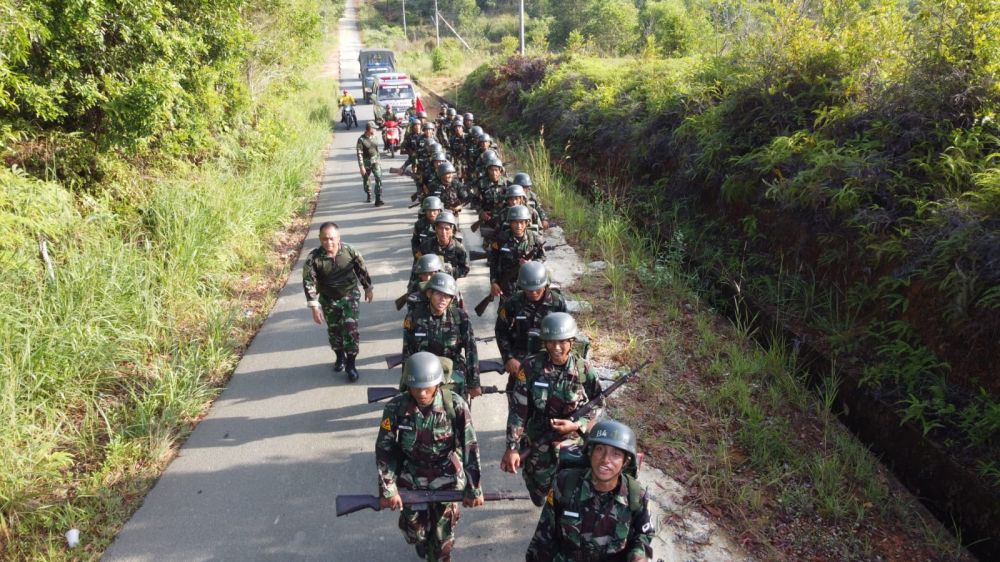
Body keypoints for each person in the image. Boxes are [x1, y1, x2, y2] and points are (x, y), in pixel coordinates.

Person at [376, 351, 485, 562]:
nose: (422, 393)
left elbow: (470, 447)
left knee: (443, 543)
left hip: (447, 476)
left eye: (427, 387)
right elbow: (384, 449)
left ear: (438, 384)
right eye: (416, 387)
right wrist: (388, 489)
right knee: (415, 533)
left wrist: (475, 488)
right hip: (411, 475)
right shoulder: (395, 408)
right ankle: (420, 539)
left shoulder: (455, 405)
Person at [501, 312, 601, 505]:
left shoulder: (583, 370)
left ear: (571, 341)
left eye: (562, 342)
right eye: (551, 342)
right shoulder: (530, 367)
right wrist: (512, 447)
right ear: (544, 342)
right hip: (539, 440)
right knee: (539, 495)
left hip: (571, 442)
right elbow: (518, 411)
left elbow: (598, 401)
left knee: (570, 493)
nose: (556, 347)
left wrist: (577, 425)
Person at [525, 420, 654, 562]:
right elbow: (544, 534)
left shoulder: (636, 496)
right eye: (600, 450)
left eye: (616, 454)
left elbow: (644, 534)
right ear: (590, 453)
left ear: (625, 462)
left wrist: (638, 555)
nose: (606, 459)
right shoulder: (565, 484)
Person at [303, 222, 374, 381]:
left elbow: (361, 269)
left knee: (350, 329)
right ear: (320, 239)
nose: (328, 242)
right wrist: (314, 306)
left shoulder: (349, 251)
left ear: (338, 238)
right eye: (324, 239)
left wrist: (368, 288)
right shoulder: (313, 258)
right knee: (334, 331)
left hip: (350, 296)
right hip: (328, 299)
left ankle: (351, 364)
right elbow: (309, 282)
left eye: (332, 239)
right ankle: (339, 356)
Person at [401, 273, 481, 398]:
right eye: (438, 294)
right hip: (422, 372)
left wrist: (474, 383)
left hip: (453, 372)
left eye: (447, 296)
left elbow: (471, 350)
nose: (443, 299)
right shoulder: (413, 318)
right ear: (429, 294)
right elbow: (407, 352)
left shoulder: (460, 317)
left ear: (452, 299)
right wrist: (405, 383)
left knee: (456, 410)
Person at [494, 261, 567, 389]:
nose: (533, 293)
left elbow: (566, 334)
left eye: (537, 289)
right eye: (529, 290)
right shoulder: (512, 303)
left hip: (550, 359)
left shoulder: (557, 302)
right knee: (517, 398)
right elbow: (501, 331)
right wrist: (508, 358)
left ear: (545, 284)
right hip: (520, 361)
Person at [488, 205, 546, 303]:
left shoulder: (534, 238)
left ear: (527, 223)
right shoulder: (501, 239)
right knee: (507, 314)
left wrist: (531, 263)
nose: (518, 226)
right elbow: (493, 262)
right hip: (507, 285)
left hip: (529, 286)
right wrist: (493, 282)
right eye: (515, 222)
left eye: (522, 222)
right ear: (510, 222)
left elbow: (543, 257)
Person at [417, 211, 470, 280]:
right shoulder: (426, 246)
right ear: (435, 229)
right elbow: (417, 267)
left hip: (448, 283)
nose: (443, 232)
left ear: (452, 231)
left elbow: (465, 269)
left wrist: (452, 271)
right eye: (440, 228)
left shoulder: (458, 248)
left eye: (447, 229)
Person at [357, 122, 384, 206]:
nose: (376, 130)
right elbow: (359, 154)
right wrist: (361, 167)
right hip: (366, 162)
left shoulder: (375, 137)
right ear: (370, 129)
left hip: (375, 161)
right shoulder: (361, 140)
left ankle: (378, 198)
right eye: (374, 128)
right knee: (366, 179)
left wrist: (379, 159)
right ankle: (368, 193)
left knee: (378, 178)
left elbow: (376, 149)